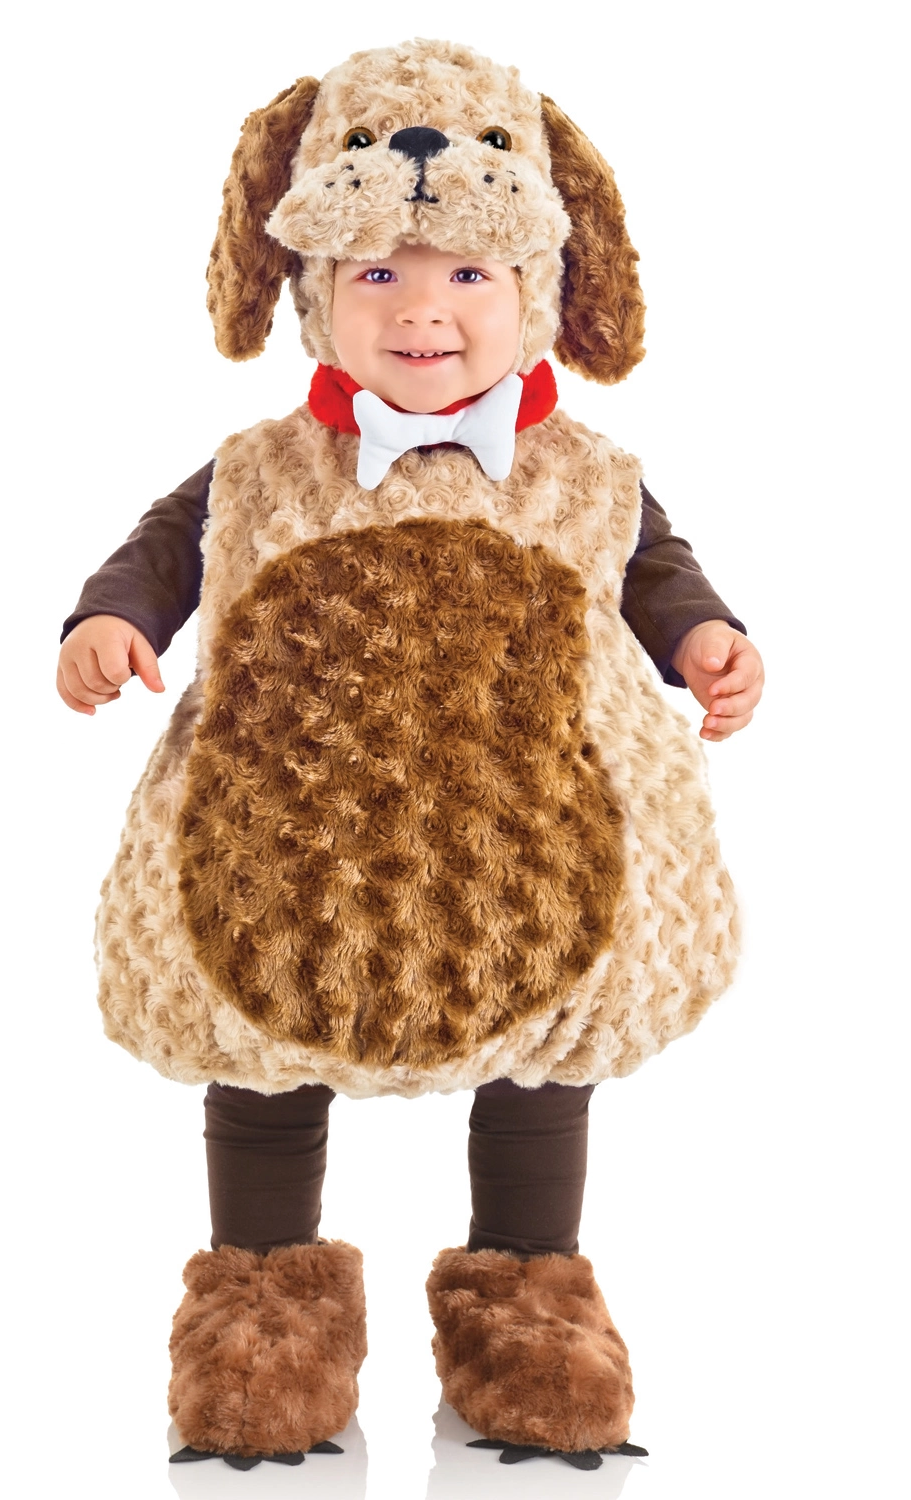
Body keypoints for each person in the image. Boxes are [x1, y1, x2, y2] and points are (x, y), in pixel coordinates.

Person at [56, 41, 764, 1472]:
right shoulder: (258, 467)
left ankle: (528, 1287)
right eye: (376, 271)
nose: (422, 309)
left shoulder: (591, 472)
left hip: (533, 824)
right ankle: (263, 1295)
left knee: (544, 1056)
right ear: (313, 289)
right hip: (290, 825)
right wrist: (109, 621)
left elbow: (656, 570)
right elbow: (160, 552)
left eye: (467, 274)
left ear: (538, 288)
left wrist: (705, 640)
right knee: (262, 1050)